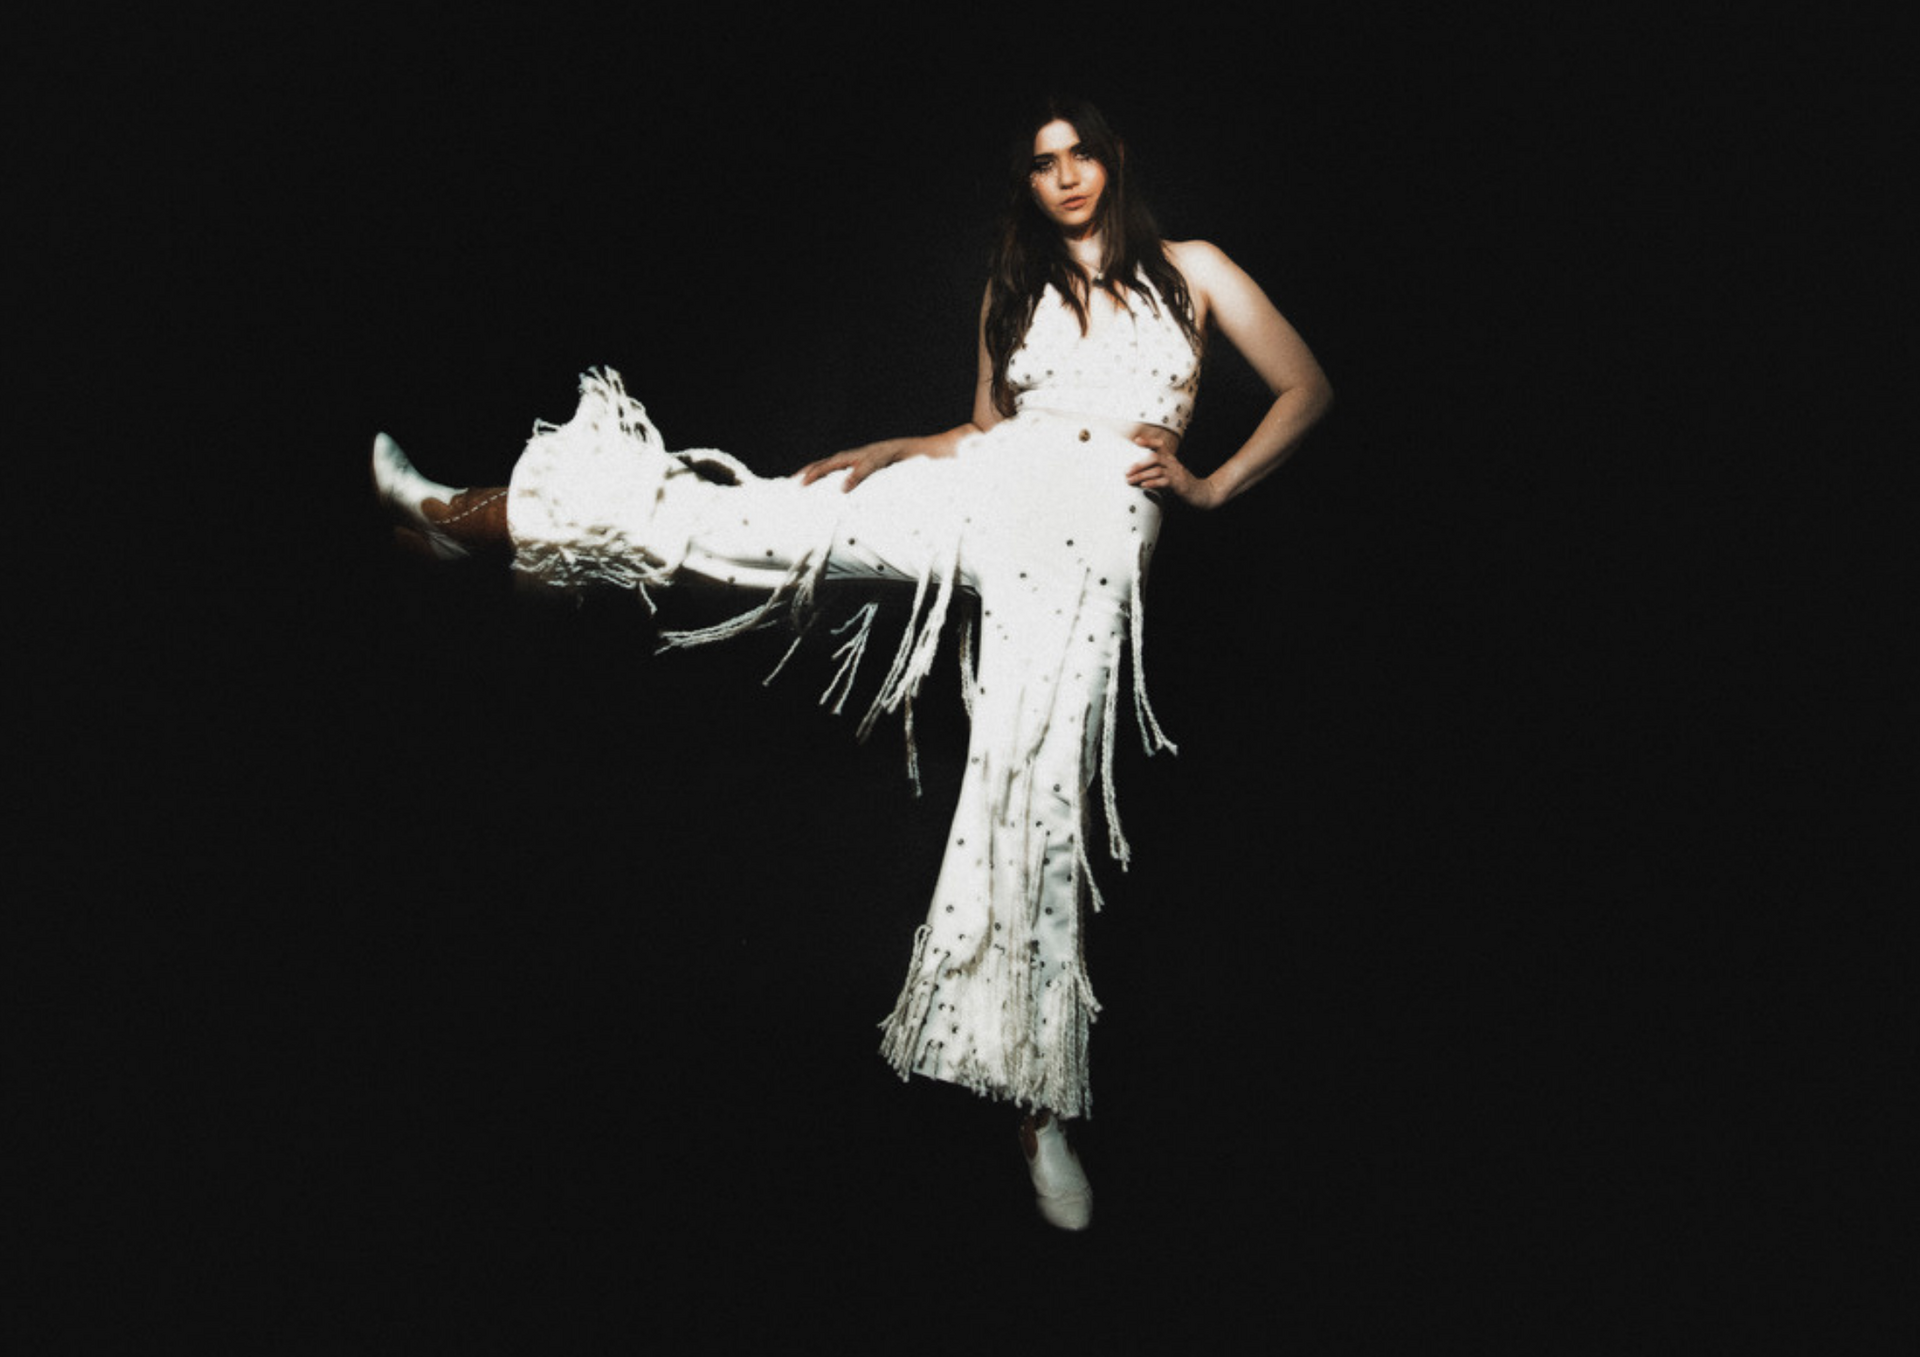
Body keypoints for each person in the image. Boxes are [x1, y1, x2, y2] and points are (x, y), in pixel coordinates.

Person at [372, 95, 1331, 1230]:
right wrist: (901, 449)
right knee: (776, 518)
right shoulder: (1015, 283)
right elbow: (984, 429)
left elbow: (1306, 387)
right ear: (1028, 183)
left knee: (1036, 802)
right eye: (1044, 163)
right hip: (996, 485)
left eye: (1082, 154)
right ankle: (475, 514)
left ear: (1114, 160)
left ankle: (1038, 1107)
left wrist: (1210, 486)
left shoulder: (1194, 269)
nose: (1067, 176)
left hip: (1097, 530)